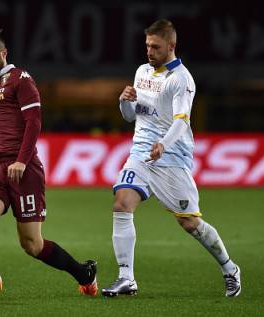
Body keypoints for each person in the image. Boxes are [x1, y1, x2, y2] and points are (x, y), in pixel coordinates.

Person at [0, 29, 98, 297]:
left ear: (3, 53)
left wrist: (21, 161)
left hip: (23, 170)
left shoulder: (21, 79)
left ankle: (84, 273)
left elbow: (34, 122)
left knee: (32, 244)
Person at [101, 19, 241, 297]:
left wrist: (163, 144)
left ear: (171, 46)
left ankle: (229, 268)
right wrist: (124, 101)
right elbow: (131, 116)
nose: (149, 52)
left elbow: (181, 121)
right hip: (141, 152)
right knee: (122, 204)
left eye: (156, 47)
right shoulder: (142, 71)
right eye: (147, 46)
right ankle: (126, 277)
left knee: (190, 223)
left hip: (171, 157)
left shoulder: (181, 80)